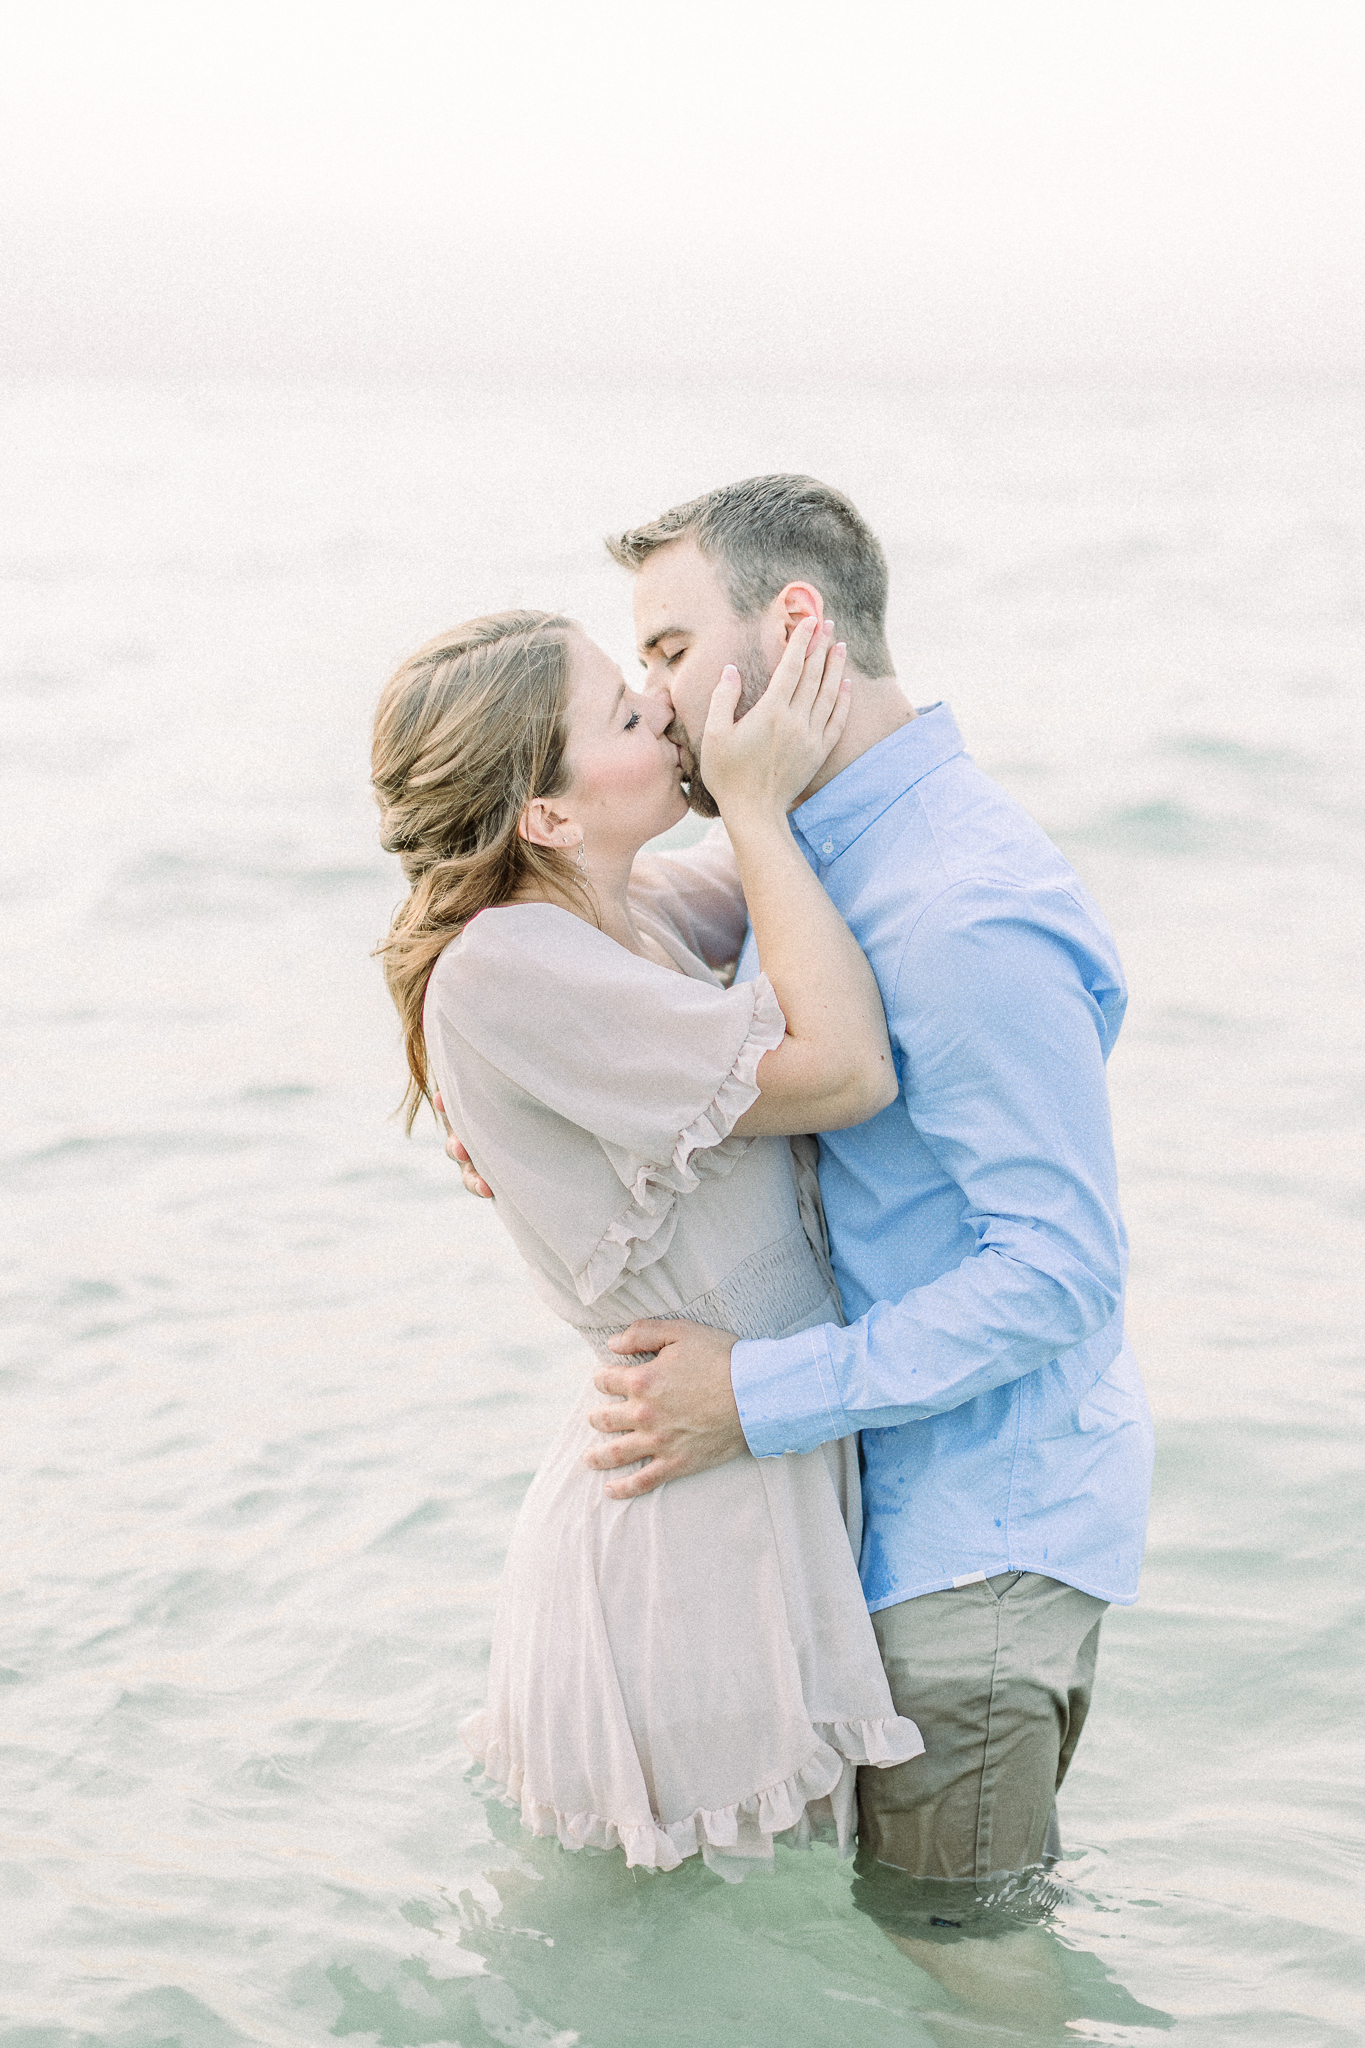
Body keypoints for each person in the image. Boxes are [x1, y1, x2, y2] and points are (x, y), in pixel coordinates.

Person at [447, 477, 1155, 1955]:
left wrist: (752, 1395)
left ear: (793, 627)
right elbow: (592, 951)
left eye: (667, 653)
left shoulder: (953, 904)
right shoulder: (810, 854)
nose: (655, 699)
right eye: (634, 674)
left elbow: (1062, 1269)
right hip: (872, 1535)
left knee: (971, 1981)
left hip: (974, 1558)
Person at [371, 605, 924, 1883]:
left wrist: (798, 660)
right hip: (683, 1529)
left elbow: (825, 864)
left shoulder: (631, 912)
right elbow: (844, 1067)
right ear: (547, 817)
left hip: (742, 1453)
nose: (662, 712)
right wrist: (760, 808)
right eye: (626, 713)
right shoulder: (508, 962)